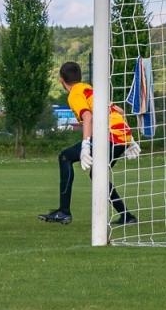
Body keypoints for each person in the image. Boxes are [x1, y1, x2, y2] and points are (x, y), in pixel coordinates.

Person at [38, 61, 138, 226]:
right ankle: (127, 216)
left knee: (65, 157)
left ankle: (63, 212)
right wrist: (129, 139)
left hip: (110, 137)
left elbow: (88, 117)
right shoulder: (88, 88)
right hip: (121, 135)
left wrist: (86, 144)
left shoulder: (75, 94)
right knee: (98, 175)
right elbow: (118, 111)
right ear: (79, 77)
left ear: (61, 79)